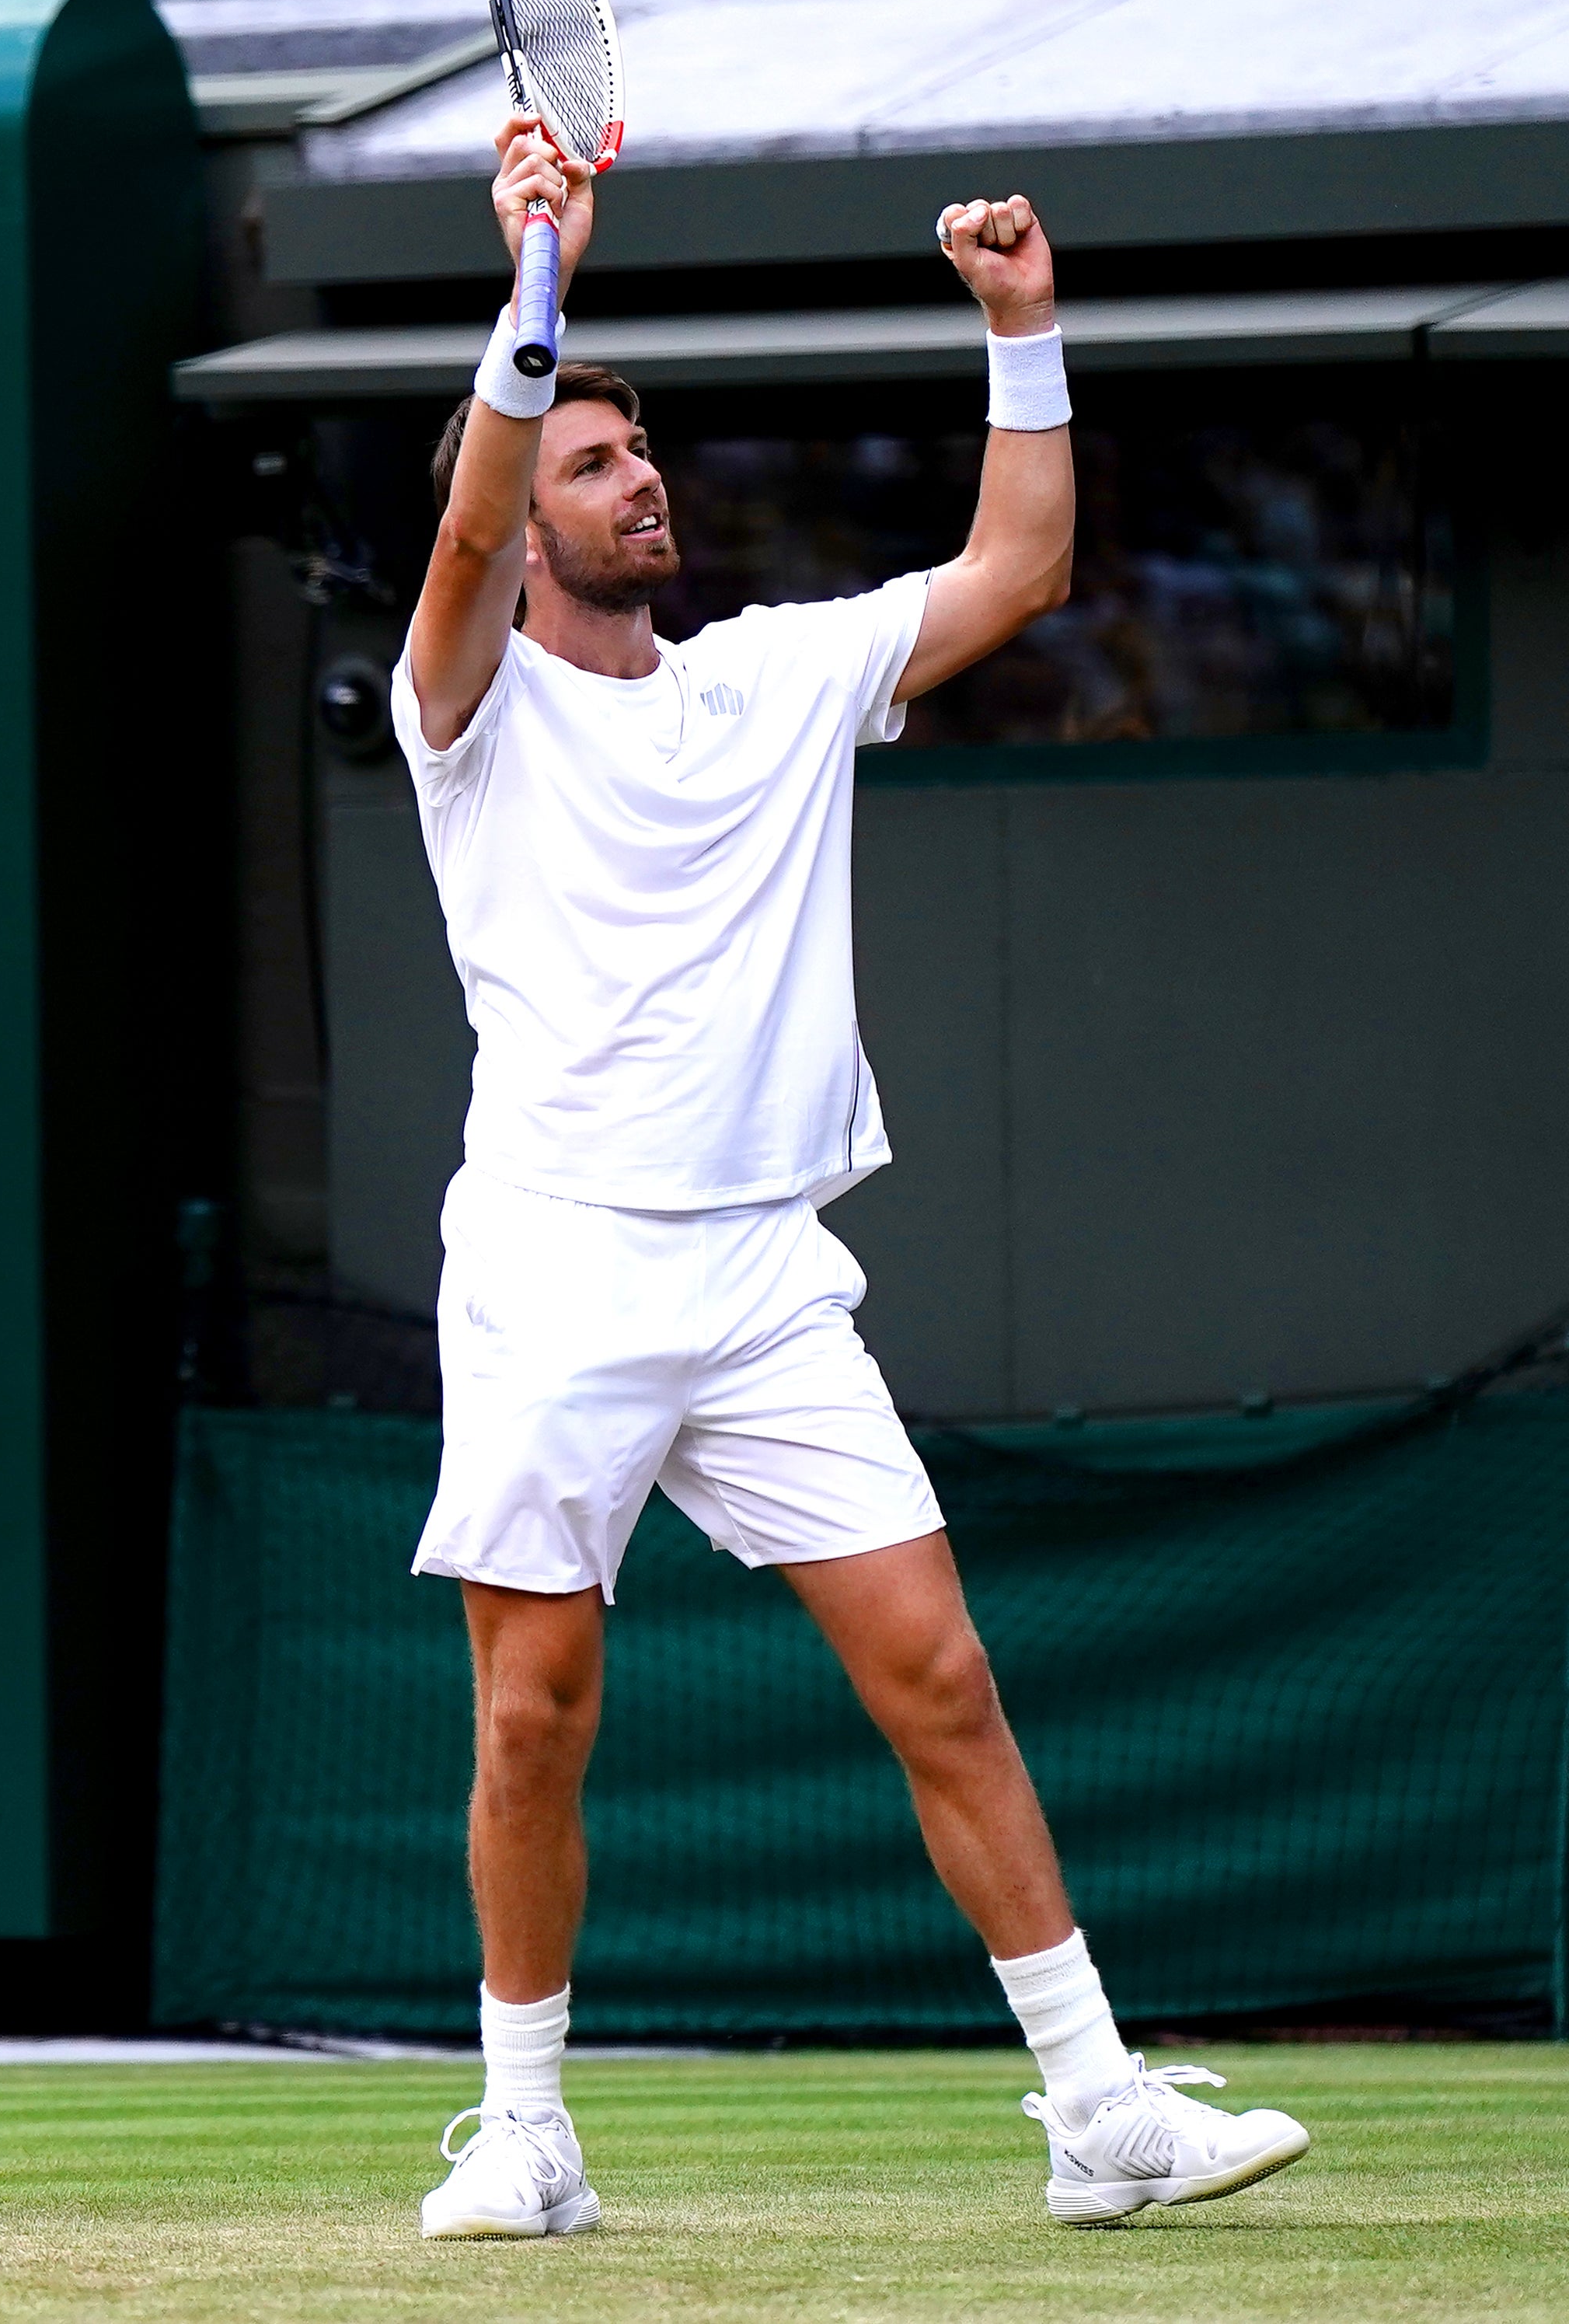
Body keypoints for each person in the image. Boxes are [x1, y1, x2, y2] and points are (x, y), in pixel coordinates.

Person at [392, 115, 1313, 2241]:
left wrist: (1027, 331)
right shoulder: (474, 704)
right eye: (601, 466)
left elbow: (1021, 568)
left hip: (765, 1277)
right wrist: (538, 280)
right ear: (532, 512)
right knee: (532, 1714)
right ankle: (526, 2132)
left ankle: (1098, 2107)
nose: (645, 486)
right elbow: (457, 542)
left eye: (642, 461)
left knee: (945, 1674)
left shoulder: (783, 675)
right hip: (553, 1270)